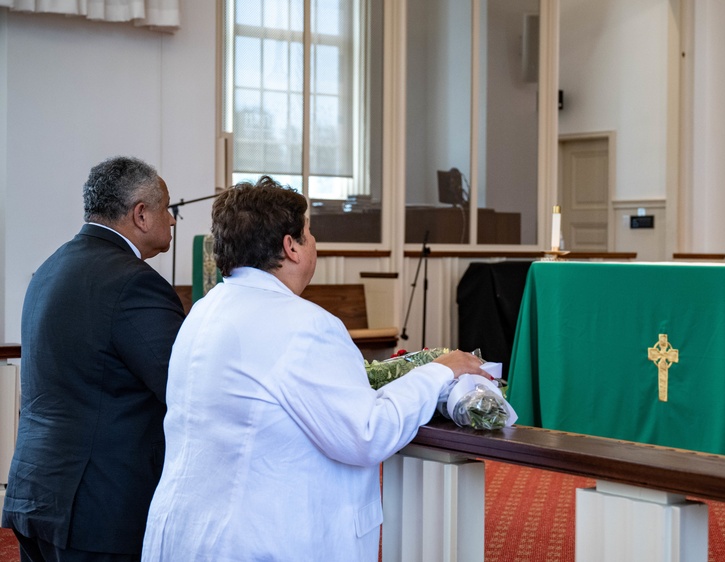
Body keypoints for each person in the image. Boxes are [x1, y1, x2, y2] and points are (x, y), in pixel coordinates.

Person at [141, 176, 488, 561]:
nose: (314, 243)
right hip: (260, 541)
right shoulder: (302, 324)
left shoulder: (204, 309)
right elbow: (367, 432)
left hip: (187, 535)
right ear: (291, 247)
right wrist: (439, 370)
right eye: (309, 233)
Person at [2, 157, 185, 561]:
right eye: (167, 210)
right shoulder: (135, 283)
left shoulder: (49, 268)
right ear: (141, 213)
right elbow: (183, 387)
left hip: (34, 490)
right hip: (96, 508)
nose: (172, 222)